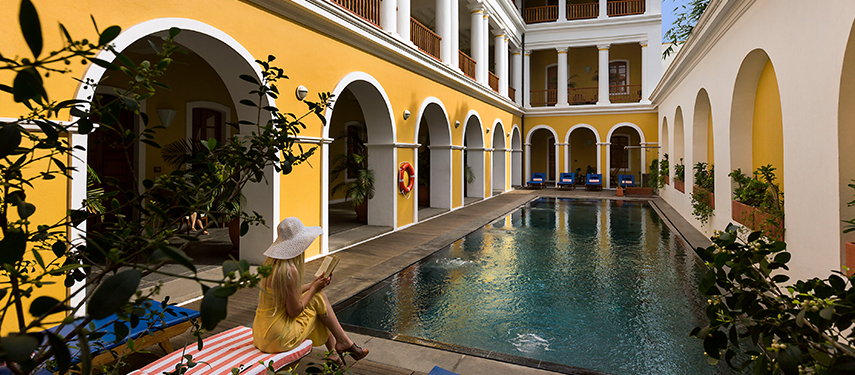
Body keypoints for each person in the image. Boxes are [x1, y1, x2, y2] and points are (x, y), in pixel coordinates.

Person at [253, 217, 368, 367]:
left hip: (261, 334)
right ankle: (342, 344)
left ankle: (337, 350)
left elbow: (289, 294)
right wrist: (314, 288)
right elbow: (294, 311)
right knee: (318, 299)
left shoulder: (271, 264)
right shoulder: (290, 270)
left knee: (317, 299)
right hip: (278, 338)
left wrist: (313, 284)